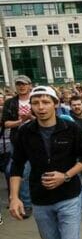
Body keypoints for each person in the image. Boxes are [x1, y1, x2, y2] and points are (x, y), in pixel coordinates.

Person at [9, 86, 82, 239]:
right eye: (36, 103)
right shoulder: (25, 132)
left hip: (69, 197)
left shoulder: (71, 129)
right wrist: (15, 197)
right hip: (41, 200)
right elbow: (17, 166)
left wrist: (65, 176)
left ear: (55, 104)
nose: (41, 107)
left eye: (46, 102)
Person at [1, 74, 34, 219]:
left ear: (29, 85)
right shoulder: (11, 103)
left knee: (31, 171)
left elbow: (47, 117)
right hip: (18, 140)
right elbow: (6, 123)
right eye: (19, 84)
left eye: (24, 84)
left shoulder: (36, 99)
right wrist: (21, 121)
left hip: (37, 138)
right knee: (18, 171)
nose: (21, 86)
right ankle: (26, 203)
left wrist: (31, 118)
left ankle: (31, 200)